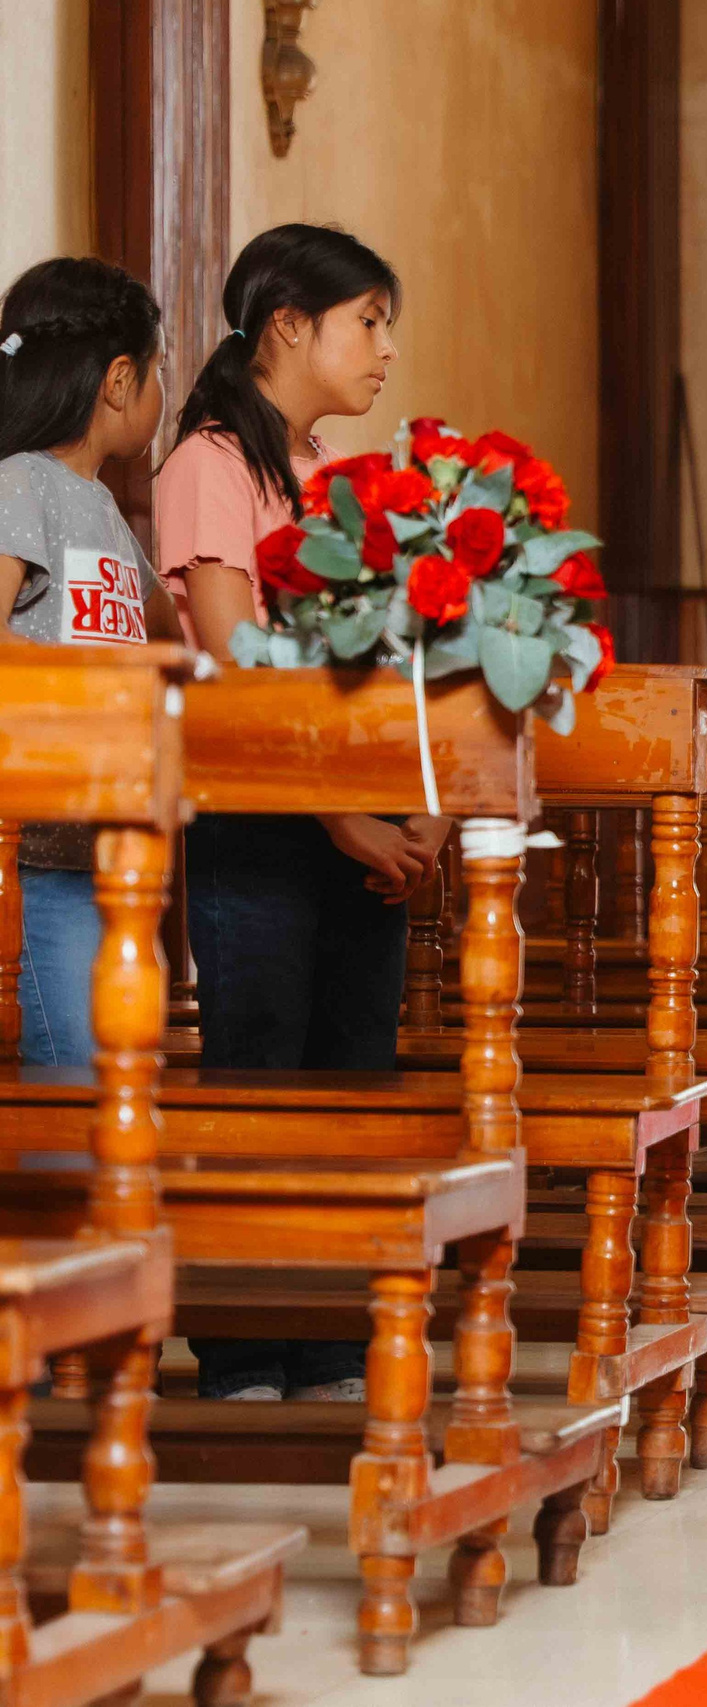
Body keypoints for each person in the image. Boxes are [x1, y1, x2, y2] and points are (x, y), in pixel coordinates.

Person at [153, 224, 439, 1403]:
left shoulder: (334, 474)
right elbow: (238, 662)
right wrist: (340, 819)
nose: (383, 351)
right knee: (260, 1079)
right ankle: (242, 1354)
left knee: (353, 1079)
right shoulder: (211, 463)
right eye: (367, 323)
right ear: (287, 325)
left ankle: (326, 1344)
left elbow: (387, 665)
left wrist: (415, 811)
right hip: (263, 817)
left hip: (357, 809)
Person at [0, 257, 185, 1068]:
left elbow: (163, 629)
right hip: (35, 850)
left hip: (104, 845)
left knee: (117, 1063)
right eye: (158, 369)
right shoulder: (21, 483)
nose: (161, 389)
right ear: (118, 380)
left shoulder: (103, 505)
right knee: (75, 1072)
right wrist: (96, 693)